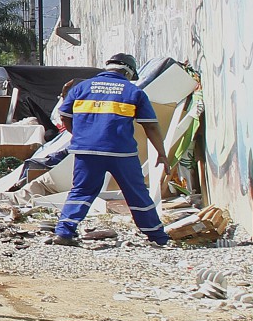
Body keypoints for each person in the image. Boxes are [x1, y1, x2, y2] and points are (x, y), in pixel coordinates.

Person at [48, 53, 170, 248]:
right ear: (128, 73)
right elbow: (151, 126)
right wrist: (162, 154)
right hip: (121, 153)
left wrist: (80, 136)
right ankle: (158, 237)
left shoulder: (80, 88)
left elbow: (64, 116)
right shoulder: (133, 91)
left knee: (81, 191)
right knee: (136, 193)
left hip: (86, 152)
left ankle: (64, 232)